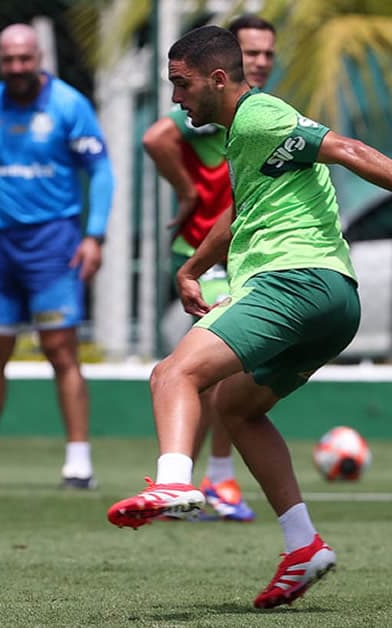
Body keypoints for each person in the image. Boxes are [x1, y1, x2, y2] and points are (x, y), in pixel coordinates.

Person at [106, 25, 392, 608]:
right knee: (236, 408)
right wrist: (190, 271)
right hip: (334, 301)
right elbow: (240, 214)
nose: (175, 98)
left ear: (217, 79)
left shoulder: (261, 115)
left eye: (180, 84)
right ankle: (302, 546)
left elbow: (350, 150)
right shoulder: (247, 136)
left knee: (173, 375)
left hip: (293, 281)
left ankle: (172, 482)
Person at [0, 23, 114, 490]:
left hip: (54, 245)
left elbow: (101, 169)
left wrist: (94, 235)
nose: (16, 68)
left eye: (24, 59)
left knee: (60, 350)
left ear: (38, 59)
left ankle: (78, 464)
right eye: (8, 60)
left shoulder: (70, 105)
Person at [140, 15, 277, 521]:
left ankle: (201, 479)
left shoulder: (261, 115)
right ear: (225, 64)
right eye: (252, 52)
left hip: (249, 257)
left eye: (267, 54)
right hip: (209, 256)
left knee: (218, 372)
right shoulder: (210, 107)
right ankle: (205, 481)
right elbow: (157, 136)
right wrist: (190, 191)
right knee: (207, 370)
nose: (260, 61)